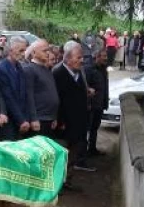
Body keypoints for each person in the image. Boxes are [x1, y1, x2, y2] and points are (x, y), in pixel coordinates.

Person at [54, 41, 95, 189]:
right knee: (62, 154)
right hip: (64, 124)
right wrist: (60, 120)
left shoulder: (79, 73)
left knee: (73, 154)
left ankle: (67, 181)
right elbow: (57, 100)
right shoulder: (58, 73)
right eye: (79, 57)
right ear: (68, 58)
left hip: (78, 123)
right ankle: (58, 183)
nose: (82, 60)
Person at [0, 36, 31, 141]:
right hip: (8, 121)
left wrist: (25, 119)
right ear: (10, 50)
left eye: (25, 50)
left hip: (20, 121)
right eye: (21, 50)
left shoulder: (19, 66)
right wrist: (21, 120)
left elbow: (24, 95)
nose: (23, 54)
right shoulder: (1, 69)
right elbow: (7, 98)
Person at [23, 39, 59, 138]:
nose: (48, 53)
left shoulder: (47, 69)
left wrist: (54, 117)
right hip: (39, 119)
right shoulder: (29, 69)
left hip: (49, 118)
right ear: (34, 53)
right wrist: (34, 118)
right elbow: (29, 95)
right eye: (44, 51)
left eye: (48, 50)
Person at [85, 47, 109, 156]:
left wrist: (105, 103)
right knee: (87, 128)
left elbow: (104, 87)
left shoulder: (103, 69)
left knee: (95, 128)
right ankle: (83, 152)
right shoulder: (89, 69)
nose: (106, 58)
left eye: (106, 56)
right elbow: (85, 87)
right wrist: (88, 103)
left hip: (99, 105)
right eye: (103, 56)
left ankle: (92, 149)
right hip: (91, 106)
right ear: (97, 57)